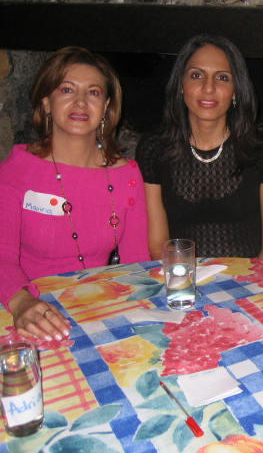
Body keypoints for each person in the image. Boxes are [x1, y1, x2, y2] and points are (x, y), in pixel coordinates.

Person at [0, 46, 150, 341]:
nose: (81, 102)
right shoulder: (17, 170)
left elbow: (136, 264)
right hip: (26, 310)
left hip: (98, 311)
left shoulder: (127, 175)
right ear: (47, 102)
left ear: (106, 107)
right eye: (67, 90)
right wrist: (22, 302)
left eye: (93, 92)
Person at [136, 34, 263, 260]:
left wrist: (247, 280)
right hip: (180, 275)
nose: (208, 88)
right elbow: (158, 244)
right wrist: (182, 278)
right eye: (196, 75)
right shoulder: (154, 149)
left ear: (236, 89)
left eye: (222, 78)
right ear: (181, 85)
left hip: (250, 276)